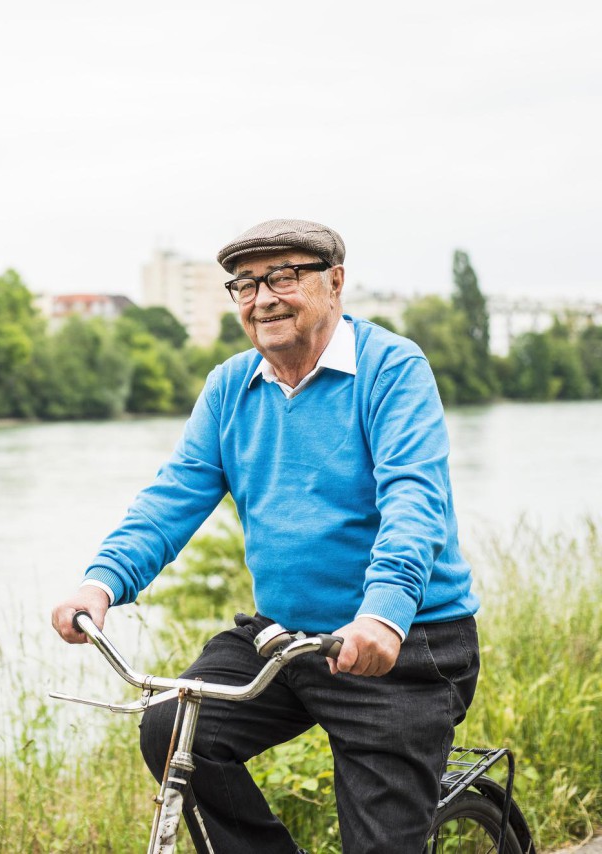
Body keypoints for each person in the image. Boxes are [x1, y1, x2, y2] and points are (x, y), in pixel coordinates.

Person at [51, 219, 481, 854]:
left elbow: (413, 500)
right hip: (283, 638)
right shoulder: (231, 386)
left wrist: (384, 614)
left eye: (284, 276)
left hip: (403, 645)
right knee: (173, 728)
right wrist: (101, 582)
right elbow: (173, 497)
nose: (263, 298)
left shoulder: (392, 368)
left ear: (335, 282)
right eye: (245, 284)